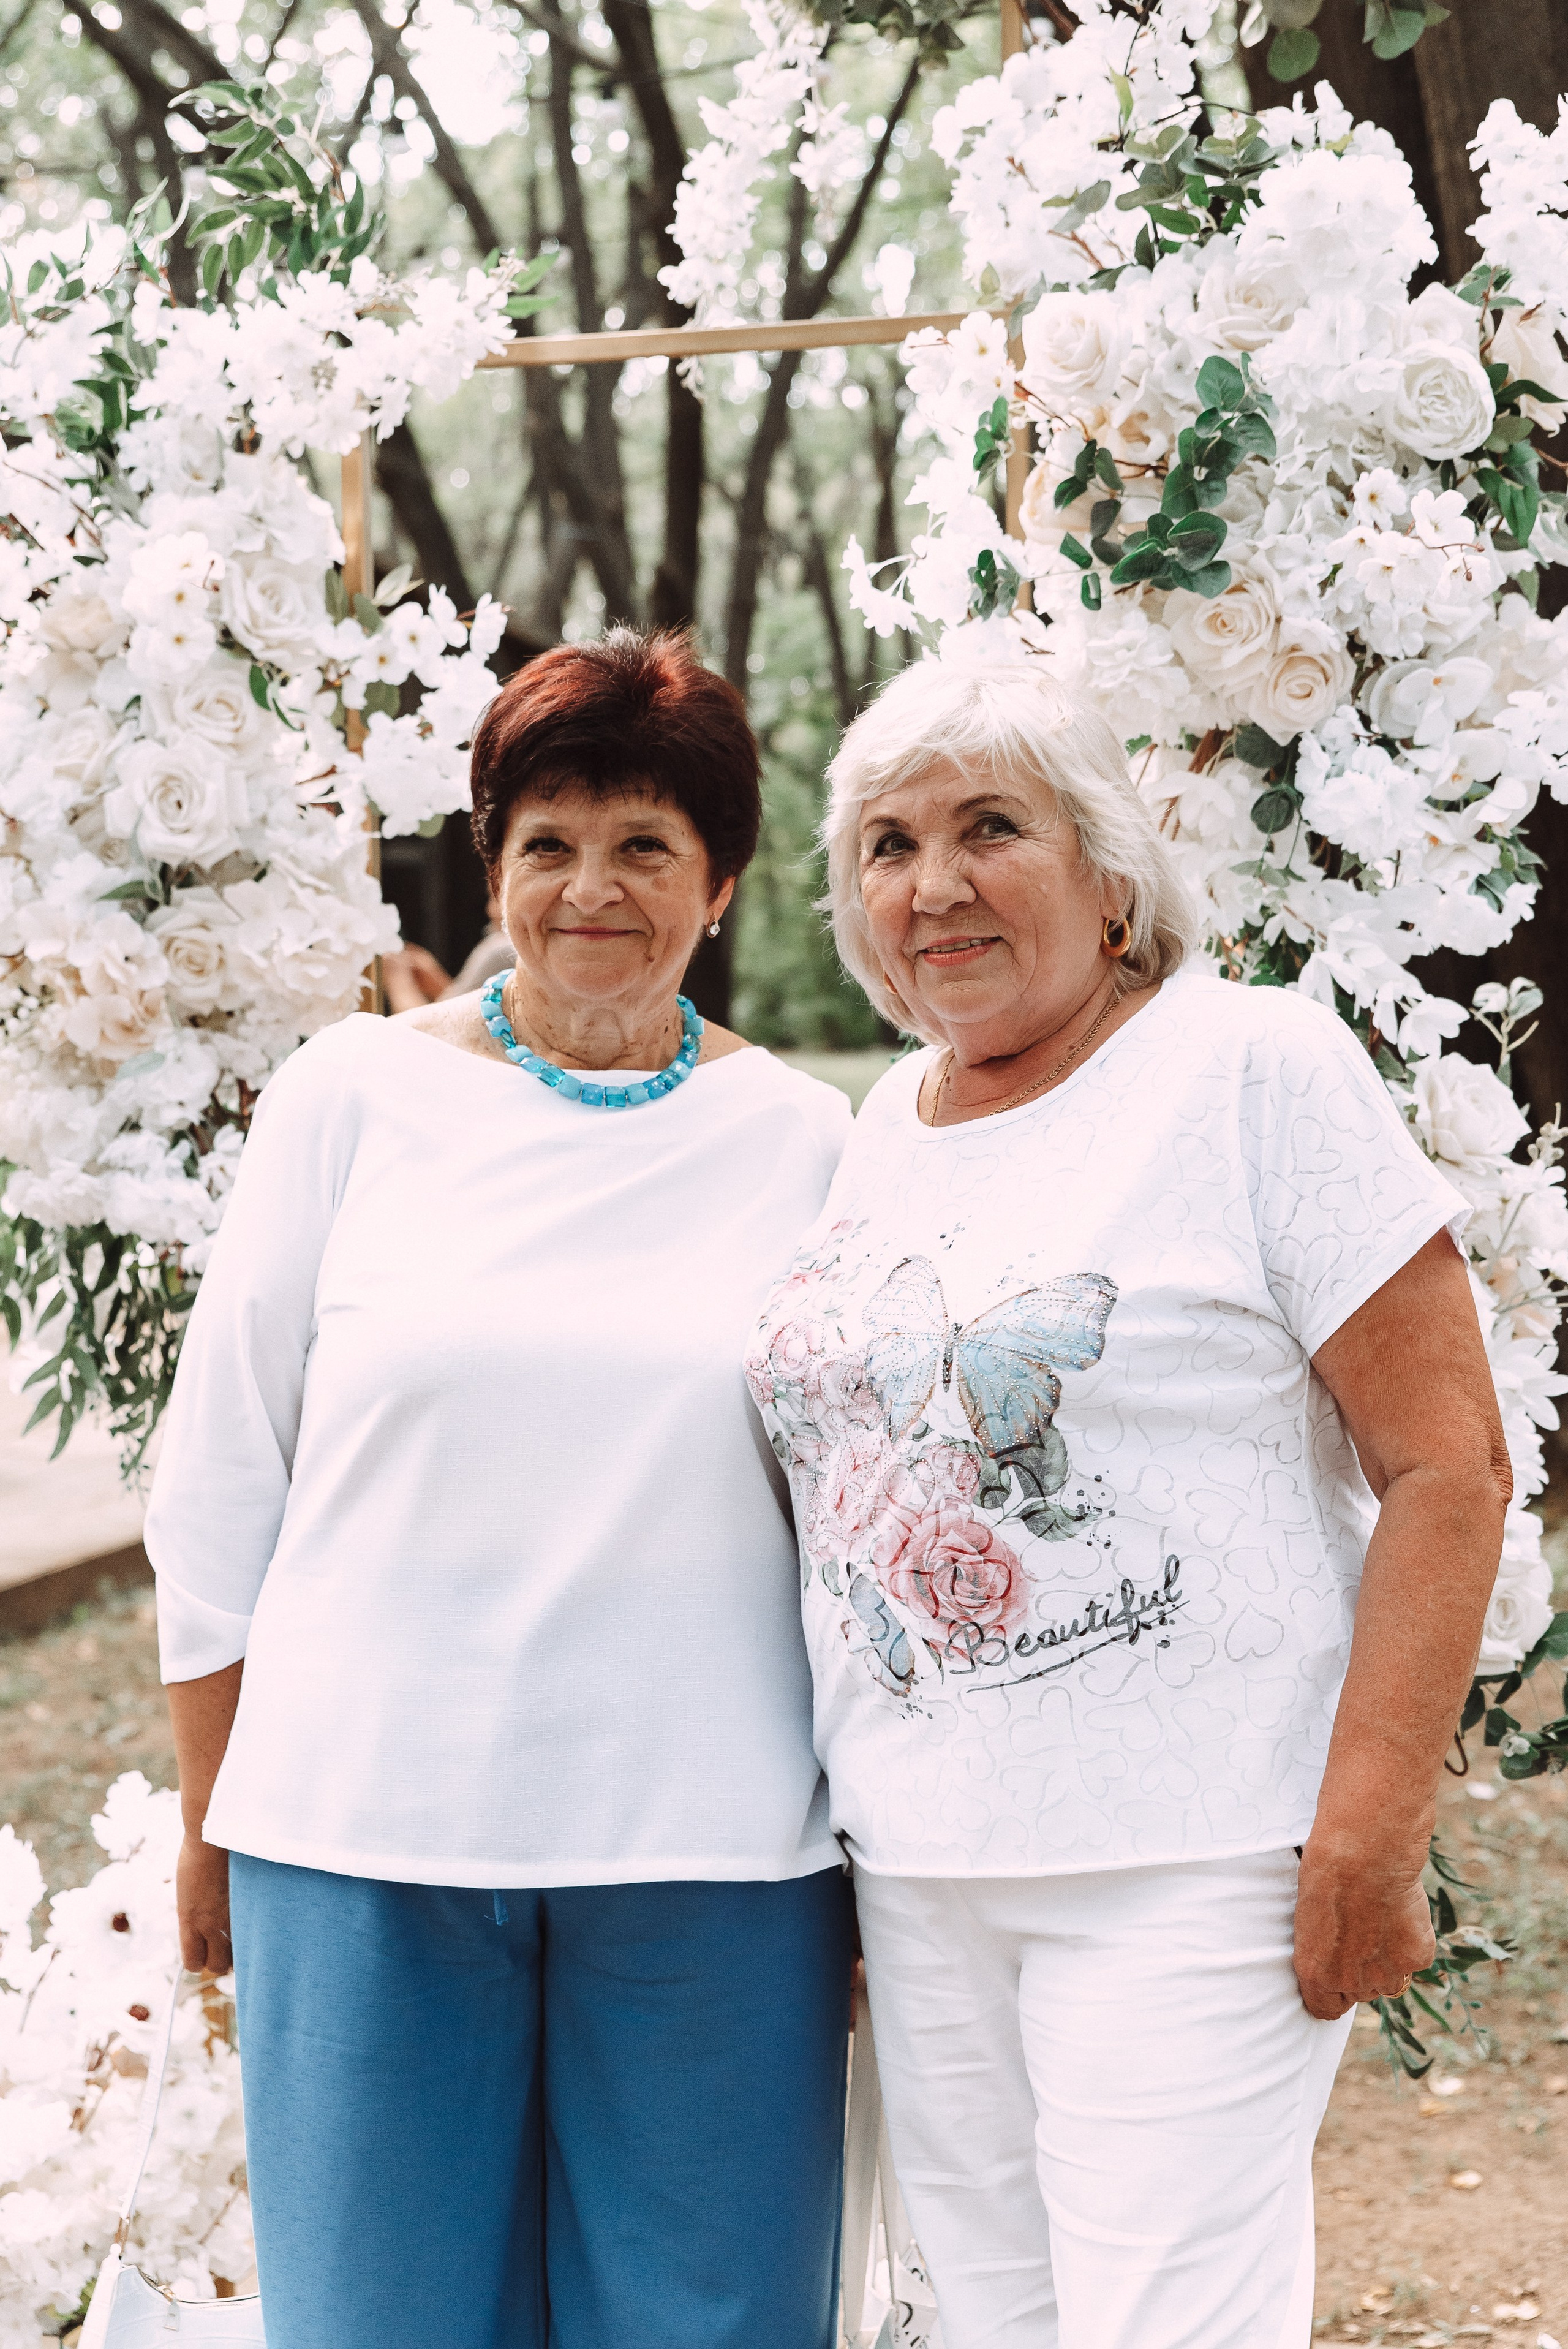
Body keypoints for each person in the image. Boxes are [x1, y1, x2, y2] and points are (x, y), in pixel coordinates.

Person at [744, 659, 1509, 2349]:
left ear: (1108, 871)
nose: (932, 885)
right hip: (917, 1867)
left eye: (988, 829)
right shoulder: (882, 1126)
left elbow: (1449, 1463)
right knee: (990, 2326)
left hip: (1191, 1859)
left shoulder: (1252, 1068)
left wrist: (1374, 1828)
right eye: (887, 846)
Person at [146, 627, 856, 2349]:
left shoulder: (811, 1146)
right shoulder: (348, 1097)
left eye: (645, 845)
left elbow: (855, 1524)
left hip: (716, 1850)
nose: (592, 888)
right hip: (362, 1836)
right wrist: (210, 1810)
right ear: (493, 867)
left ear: (722, 884)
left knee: (715, 2319)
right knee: (380, 2319)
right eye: (549, 842)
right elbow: (222, 1472)